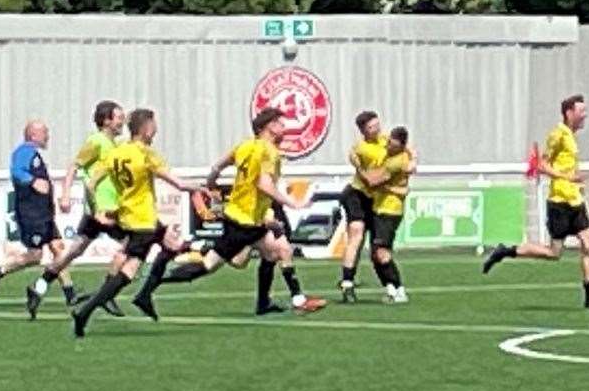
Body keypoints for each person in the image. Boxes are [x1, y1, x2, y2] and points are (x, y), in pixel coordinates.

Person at [134, 107, 328, 324]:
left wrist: (212, 179)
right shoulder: (268, 151)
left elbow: (220, 164)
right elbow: (264, 184)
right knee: (209, 266)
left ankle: (277, 302)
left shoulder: (245, 145)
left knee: (278, 251)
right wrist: (293, 202)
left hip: (246, 217)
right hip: (243, 222)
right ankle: (151, 283)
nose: (284, 129)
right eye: (281, 124)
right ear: (270, 127)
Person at [68, 108, 205, 336]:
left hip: (129, 216)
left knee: (172, 244)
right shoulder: (146, 154)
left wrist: (97, 210)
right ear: (146, 128)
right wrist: (199, 187)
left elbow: (91, 184)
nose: (157, 130)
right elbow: (178, 184)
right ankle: (86, 311)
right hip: (144, 221)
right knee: (129, 272)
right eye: (154, 125)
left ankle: (144, 296)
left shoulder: (117, 152)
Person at [481, 94, 589, 310]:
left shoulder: (571, 136)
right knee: (554, 253)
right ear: (569, 113)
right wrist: (566, 178)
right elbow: (541, 165)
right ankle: (506, 251)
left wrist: (575, 181)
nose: (585, 115)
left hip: (574, 200)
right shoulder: (558, 135)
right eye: (581, 111)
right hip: (559, 201)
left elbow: (564, 165)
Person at [39, 101, 128, 319]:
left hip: (106, 207)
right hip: (101, 209)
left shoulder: (114, 144)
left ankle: (38, 287)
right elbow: (74, 166)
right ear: (106, 120)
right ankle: (106, 295)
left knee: (75, 250)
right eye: (118, 117)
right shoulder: (96, 141)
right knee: (130, 244)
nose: (122, 121)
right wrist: (66, 194)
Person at [0, 120, 74, 318]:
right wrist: (33, 181)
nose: (48, 136)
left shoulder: (33, 154)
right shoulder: (24, 151)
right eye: (44, 132)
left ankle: (69, 293)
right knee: (35, 255)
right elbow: (16, 171)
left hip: (43, 213)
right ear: (33, 135)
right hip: (32, 214)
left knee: (59, 249)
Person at [336, 110, 390, 303]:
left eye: (377, 125)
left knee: (377, 244)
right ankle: (347, 283)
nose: (376, 129)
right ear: (363, 131)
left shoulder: (387, 142)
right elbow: (368, 180)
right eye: (371, 127)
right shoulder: (360, 149)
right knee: (356, 234)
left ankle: (391, 285)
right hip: (357, 195)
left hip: (376, 200)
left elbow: (407, 151)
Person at [368, 126, 415, 304]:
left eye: (392, 144)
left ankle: (399, 289)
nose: (388, 145)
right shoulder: (396, 150)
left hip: (390, 210)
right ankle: (390, 289)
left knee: (381, 252)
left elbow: (373, 181)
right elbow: (412, 149)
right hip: (379, 207)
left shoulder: (397, 163)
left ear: (400, 146)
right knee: (375, 253)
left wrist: (359, 165)